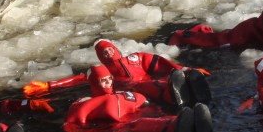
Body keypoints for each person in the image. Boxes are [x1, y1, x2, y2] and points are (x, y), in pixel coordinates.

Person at [42, 66, 213, 132]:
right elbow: (71, 124)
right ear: (93, 82)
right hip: (118, 129)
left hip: (137, 115)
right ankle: (175, 131)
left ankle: (173, 98)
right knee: (137, 124)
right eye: (103, 80)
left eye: (109, 78)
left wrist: (159, 111)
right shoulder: (84, 102)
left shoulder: (124, 94)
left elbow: (147, 105)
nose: (108, 82)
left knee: (144, 102)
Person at [23, 39, 212, 108]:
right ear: (100, 57)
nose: (107, 53)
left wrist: (186, 69)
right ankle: (177, 95)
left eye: (109, 49)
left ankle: (188, 85)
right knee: (149, 88)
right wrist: (49, 85)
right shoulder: (103, 71)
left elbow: (161, 64)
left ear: (115, 49)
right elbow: (78, 79)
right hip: (132, 90)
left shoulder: (137, 57)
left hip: (145, 82)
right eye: (103, 53)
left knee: (157, 83)